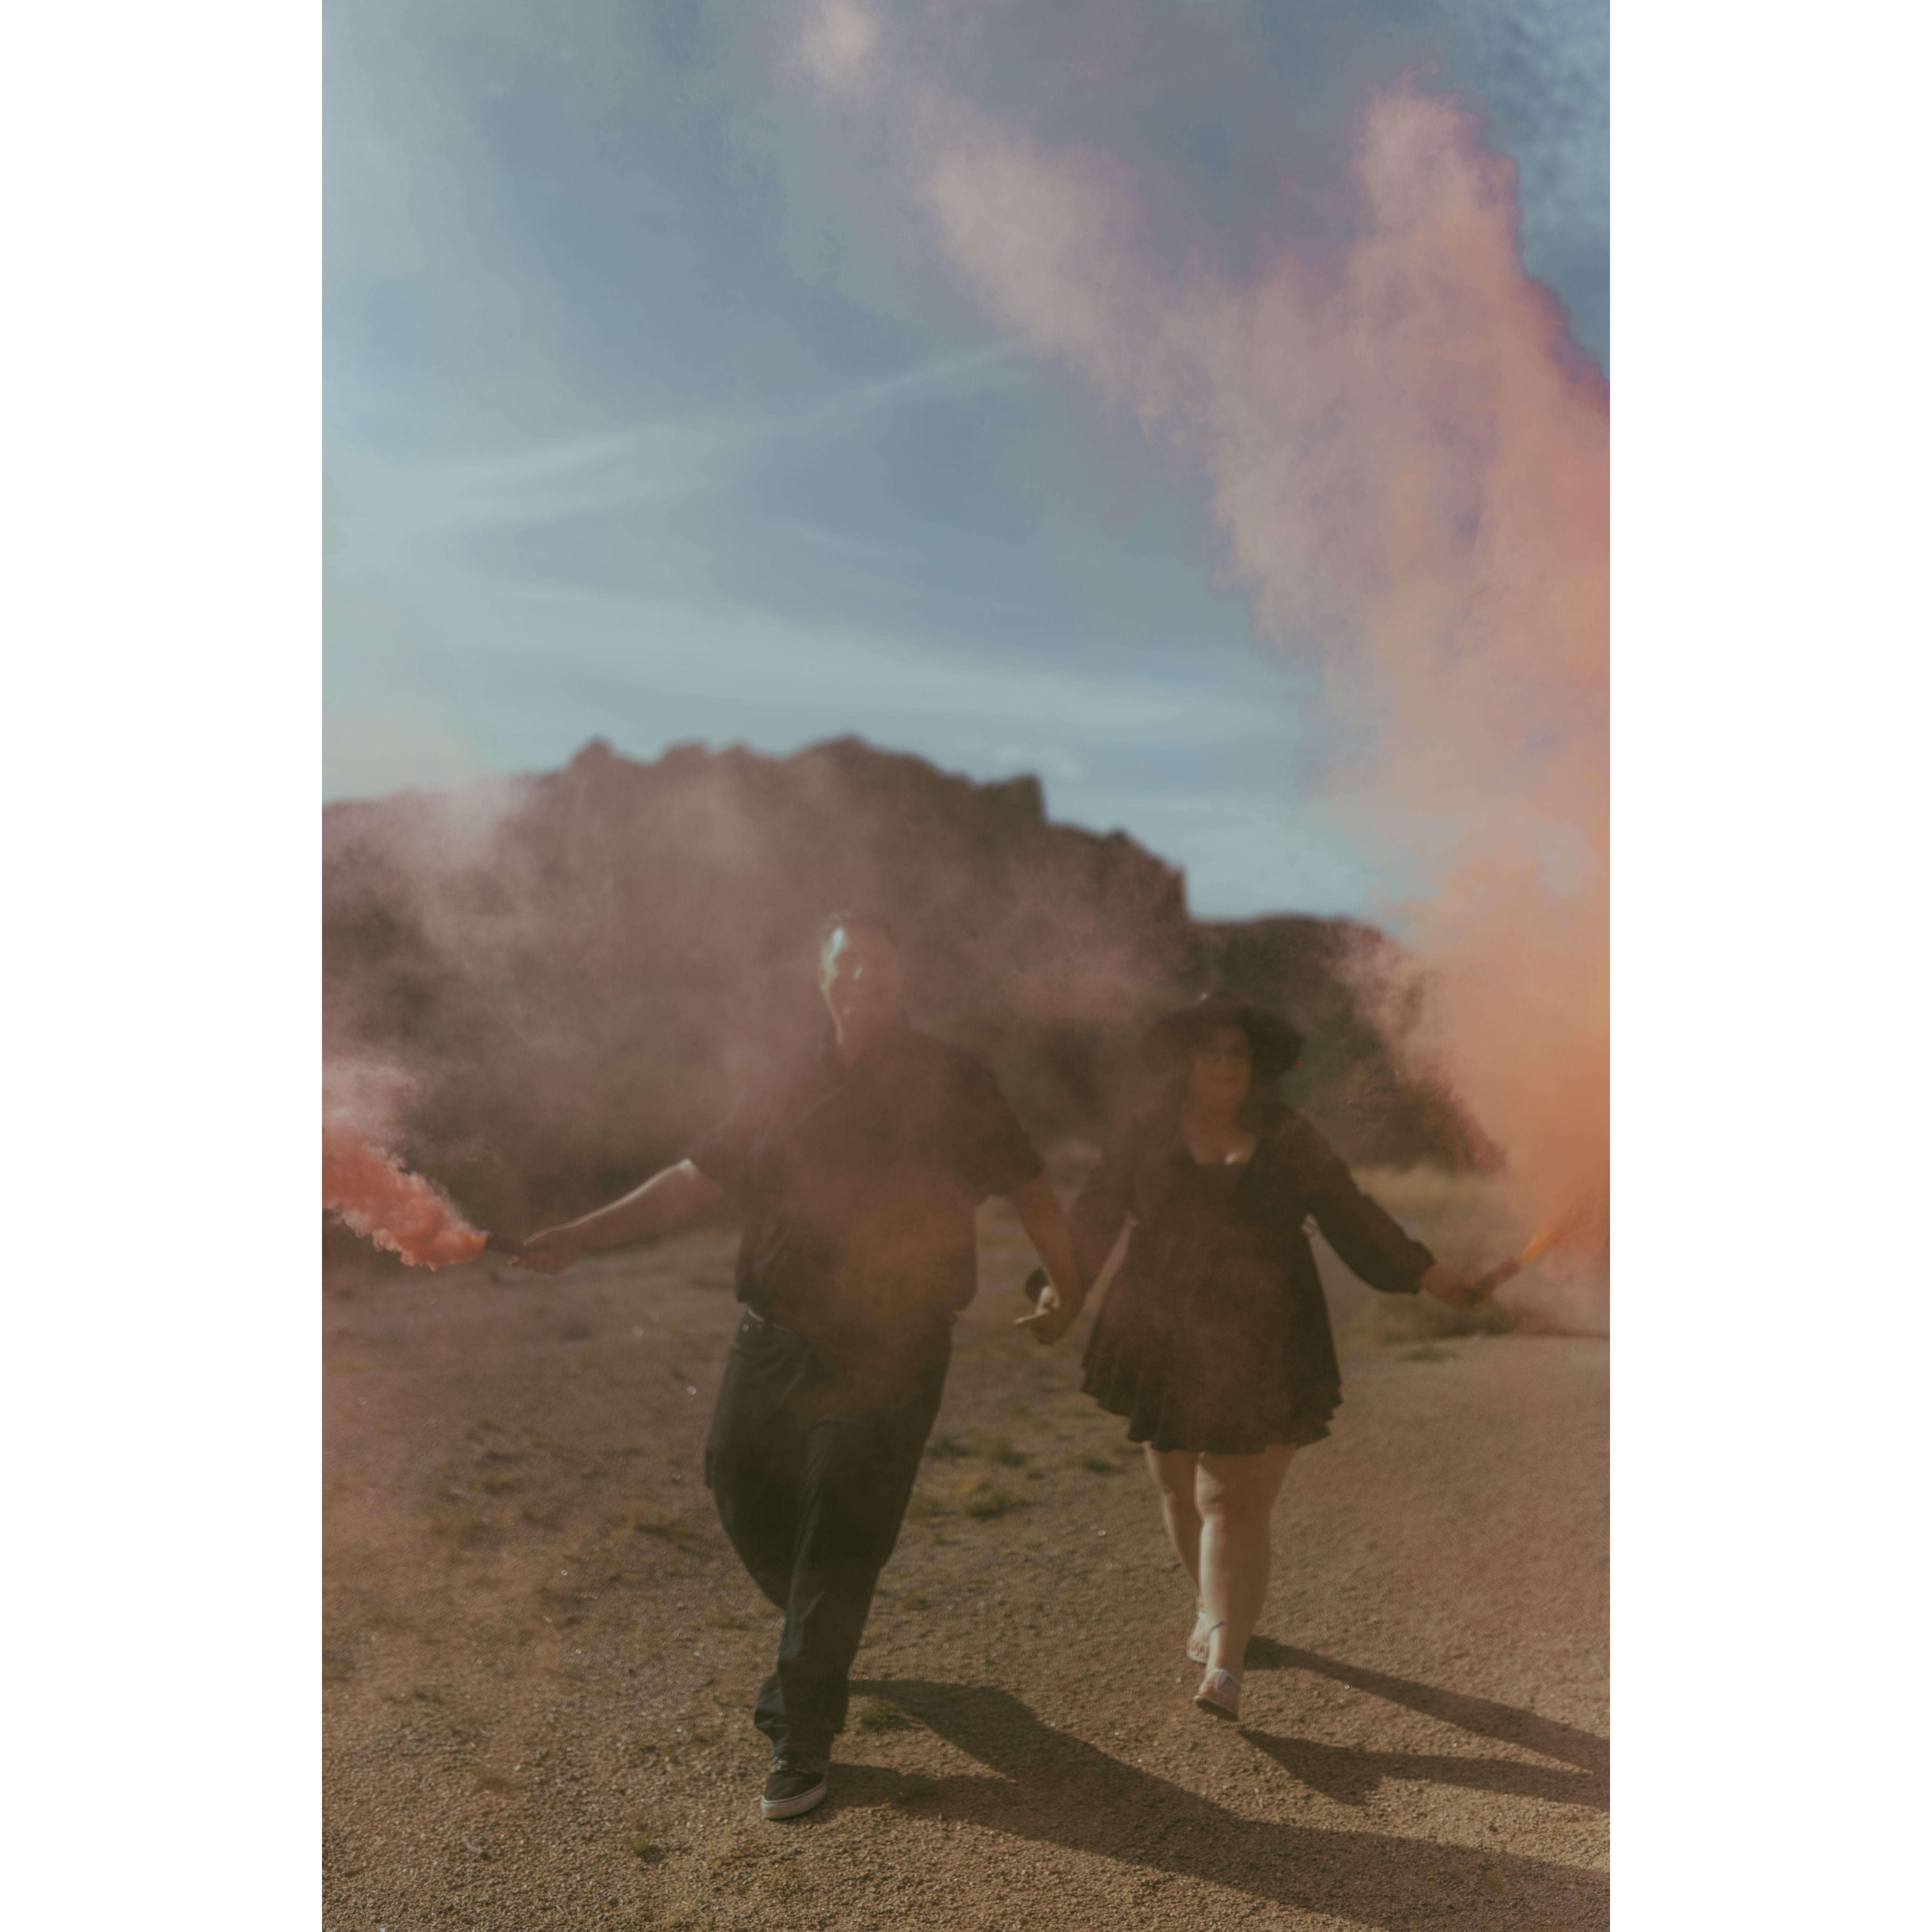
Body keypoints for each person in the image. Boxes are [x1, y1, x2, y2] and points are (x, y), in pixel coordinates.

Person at [508, 913, 1084, 1820]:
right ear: (821, 978)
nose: (862, 979)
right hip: (774, 1333)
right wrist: (584, 1233)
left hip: (893, 1343)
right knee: (735, 1481)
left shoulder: (954, 1079)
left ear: (902, 977)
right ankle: (819, 1627)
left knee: (841, 1532)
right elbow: (695, 1178)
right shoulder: (785, 1076)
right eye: (846, 964)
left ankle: (802, 1730)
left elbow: (1029, 1188)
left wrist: (1066, 1286)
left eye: (879, 964)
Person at [1067, 991, 1483, 1723]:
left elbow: (1352, 1214)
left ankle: (1225, 1667)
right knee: (1178, 1488)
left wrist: (1426, 1273)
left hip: (1267, 1326)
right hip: (1161, 1323)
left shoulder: (1290, 1136)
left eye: (1238, 1053)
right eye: (1209, 1051)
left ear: (1258, 1063)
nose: (1224, 1065)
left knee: (1231, 1500)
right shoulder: (1144, 1132)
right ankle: (1211, 1609)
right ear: (1184, 1061)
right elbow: (1096, 1213)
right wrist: (1055, 1290)